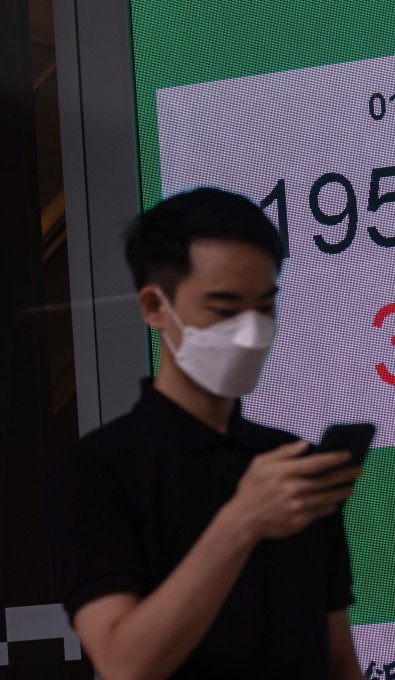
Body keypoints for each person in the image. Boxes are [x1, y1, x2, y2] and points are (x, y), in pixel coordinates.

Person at [47, 187, 364, 679]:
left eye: (265, 307)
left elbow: (338, 660)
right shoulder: (95, 470)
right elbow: (123, 664)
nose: (251, 330)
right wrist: (242, 522)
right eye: (224, 309)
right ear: (155, 307)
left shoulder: (288, 462)